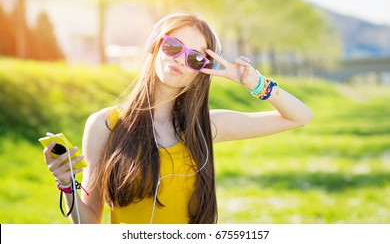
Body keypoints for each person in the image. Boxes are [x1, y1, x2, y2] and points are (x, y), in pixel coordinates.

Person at [43, 13, 313, 224]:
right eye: (173, 46)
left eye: (195, 58)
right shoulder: (105, 125)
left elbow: (299, 117)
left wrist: (255, 84)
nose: (180, 60)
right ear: (155, 45)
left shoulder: (206, 127)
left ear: (201, 72)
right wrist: (67, 185)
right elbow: (90, 224)